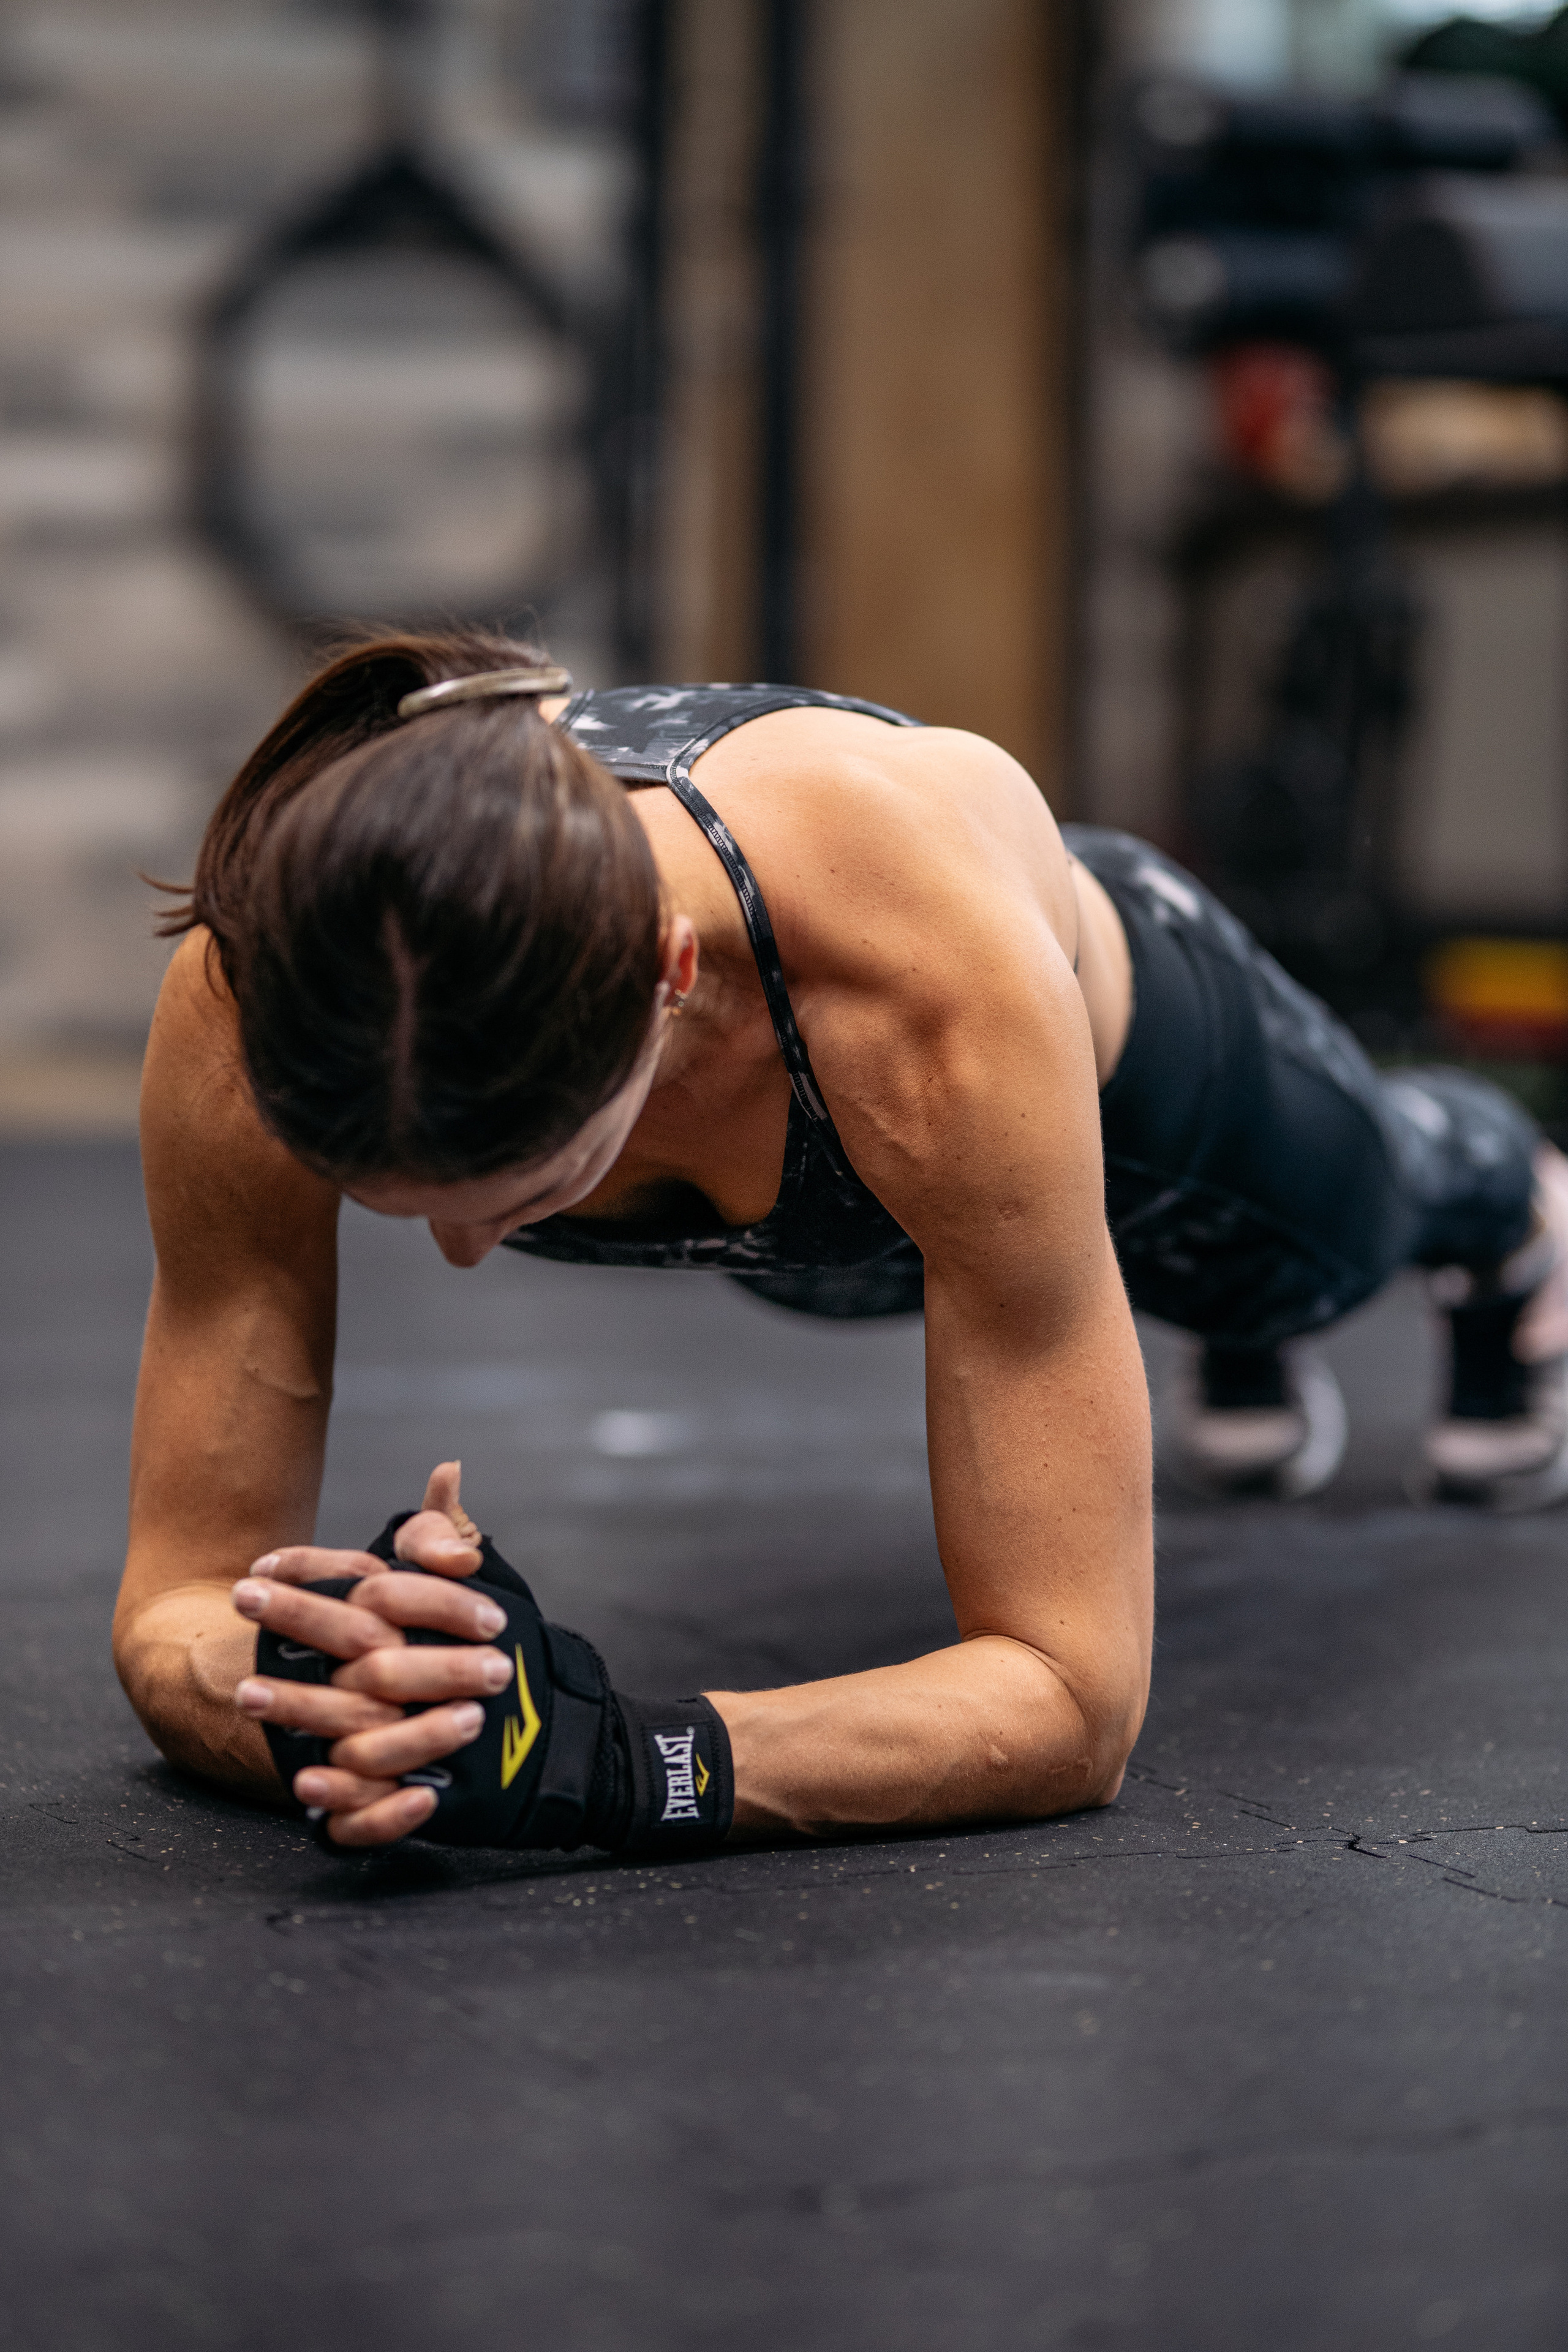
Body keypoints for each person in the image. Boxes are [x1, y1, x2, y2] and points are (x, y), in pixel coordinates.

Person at [113, 632, 1568, 1856]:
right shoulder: (264, 988)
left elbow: (1072, 1698)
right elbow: (172, 1606)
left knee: (1339, 1224)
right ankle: (1190, 1322)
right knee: (1008, 1290)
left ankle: (1506, 1208)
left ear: (667, 981)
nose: (463, 1256)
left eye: (526, 1186)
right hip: (859, 1229)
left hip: (1142, 1098)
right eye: (405, 1200)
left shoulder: (923, 982)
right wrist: (345, 1688)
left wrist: (620, 1762)